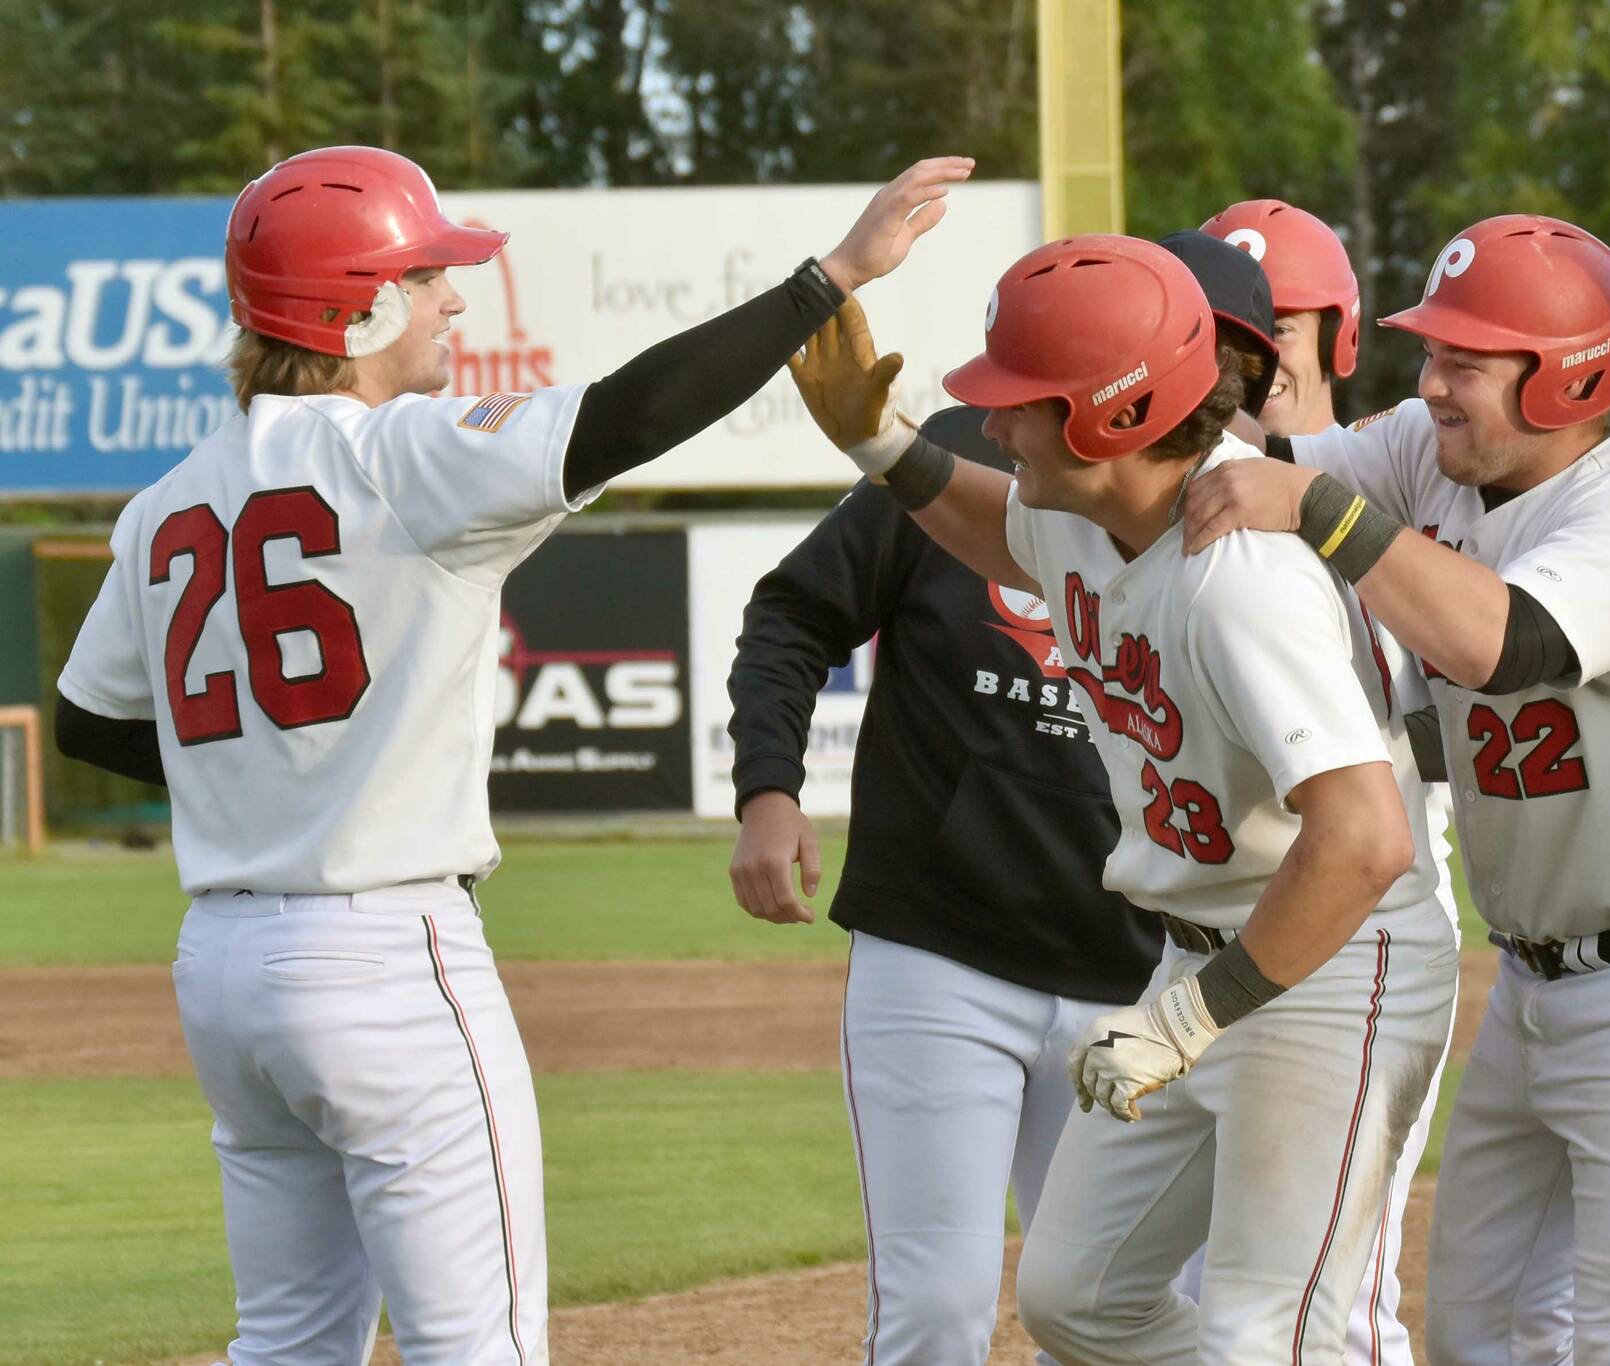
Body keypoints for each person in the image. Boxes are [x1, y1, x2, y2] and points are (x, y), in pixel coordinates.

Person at [51, 143, 970, 1365]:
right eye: (428, 273)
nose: (452, 298)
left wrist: (277, 774)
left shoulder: (164, 502)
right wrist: (831, 277)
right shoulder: (405, 454)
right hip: (383, 954)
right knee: (475, 1345)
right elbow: (626, 415)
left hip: (223, 966)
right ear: (361, 306)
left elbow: (89, 718)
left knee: (285, 1342)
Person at [784, 234, 1458, 1361]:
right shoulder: (1079, 510)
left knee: (1266, 1332)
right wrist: (875, 441)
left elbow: (1364, 837)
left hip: (1332, 967)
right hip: (1194, 954)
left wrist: (1194, 1017)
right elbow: (997, 533)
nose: (991, 423)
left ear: (1111, 416)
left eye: (1017, 403)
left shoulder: (1240, 580)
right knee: (1074, 1297)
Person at [1178, 213, 1610, 1362]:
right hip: (1532, 979)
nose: (1430, 384)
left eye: (1463, 360)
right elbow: (1261, 475)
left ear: (1566, 374)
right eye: (1427, 353)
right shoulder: (1439, 445)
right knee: (1480, 1332)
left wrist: (1324, 516)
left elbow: (1501, 644)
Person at [721, 226, 1276, 1366]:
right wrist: (768, 787)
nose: (1214, 378)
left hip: (1139, 968)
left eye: (1235, 358)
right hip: (940, 947)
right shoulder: (981, 466)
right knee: (933, 1309)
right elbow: (792, 614)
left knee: (1112, 1309)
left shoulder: (1257, 513)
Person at [1199, 196, 1458, 1366]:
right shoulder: (1184, 508)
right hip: (1226, 916)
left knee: (1334, 1296)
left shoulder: (1409, 467)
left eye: (1281, 329)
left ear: (1338, 338)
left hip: (1375, 916)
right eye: (1219, 332)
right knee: (1230, 1280)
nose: (1251, 357)